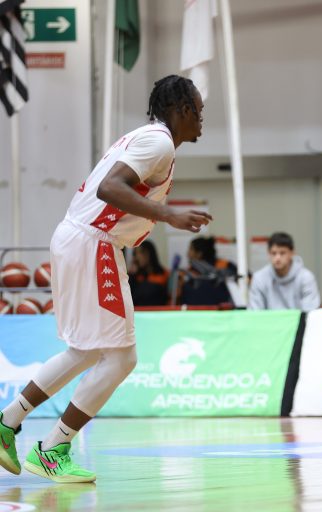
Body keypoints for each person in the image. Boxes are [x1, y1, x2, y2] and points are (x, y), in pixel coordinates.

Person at [0, 75, 211, 483]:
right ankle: (53, 449)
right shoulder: (159, 143)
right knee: (121, 357)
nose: (201, 119)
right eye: (199, 111)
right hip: (94, 242)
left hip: (78, 238)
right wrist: (168, 214)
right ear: (183, 109)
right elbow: (110, 188)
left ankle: (7, 422)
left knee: (85, 351)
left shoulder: (148, 139)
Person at [248, 232, 320, 311]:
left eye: (282, 253)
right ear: (268, 253)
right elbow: (255, 313)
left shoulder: (306, 277)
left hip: (300, 320)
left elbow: (310, 312)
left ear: (292, 253)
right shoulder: (259, 278)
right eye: (274, 253)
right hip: (268, 320)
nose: (277, 258)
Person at [179, 236, 236, 306]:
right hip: (223, 310)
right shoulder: (227, 265)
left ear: (199, 253)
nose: (188, 254)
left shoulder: (187, 273)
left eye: (190, 249)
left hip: (195, 311)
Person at [128, 240, 170, 306]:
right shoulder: (135, 276)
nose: (137, 257)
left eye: (141, 252)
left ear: (149, 254)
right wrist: (131, 276)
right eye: (135, 254)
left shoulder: (163, 274)